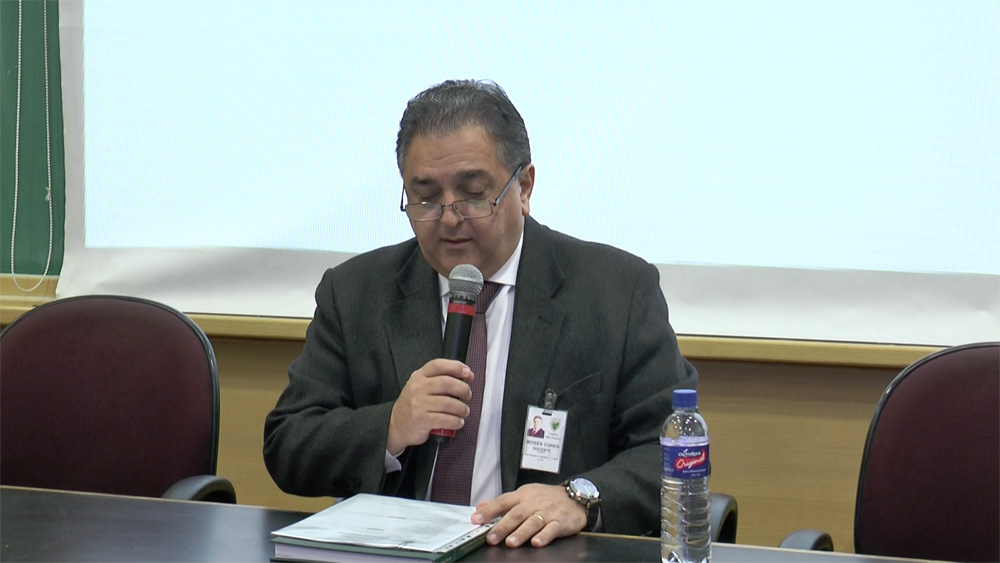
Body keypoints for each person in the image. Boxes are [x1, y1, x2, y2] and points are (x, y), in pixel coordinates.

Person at [263, 79, 697, 549]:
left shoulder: (615, 292)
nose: (450, 218)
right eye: (426, 197)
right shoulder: (355, 292)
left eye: (473, 193)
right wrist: (390, 426)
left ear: (524, 187)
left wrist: (579, 498)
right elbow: (288, 443)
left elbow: (673, 451)